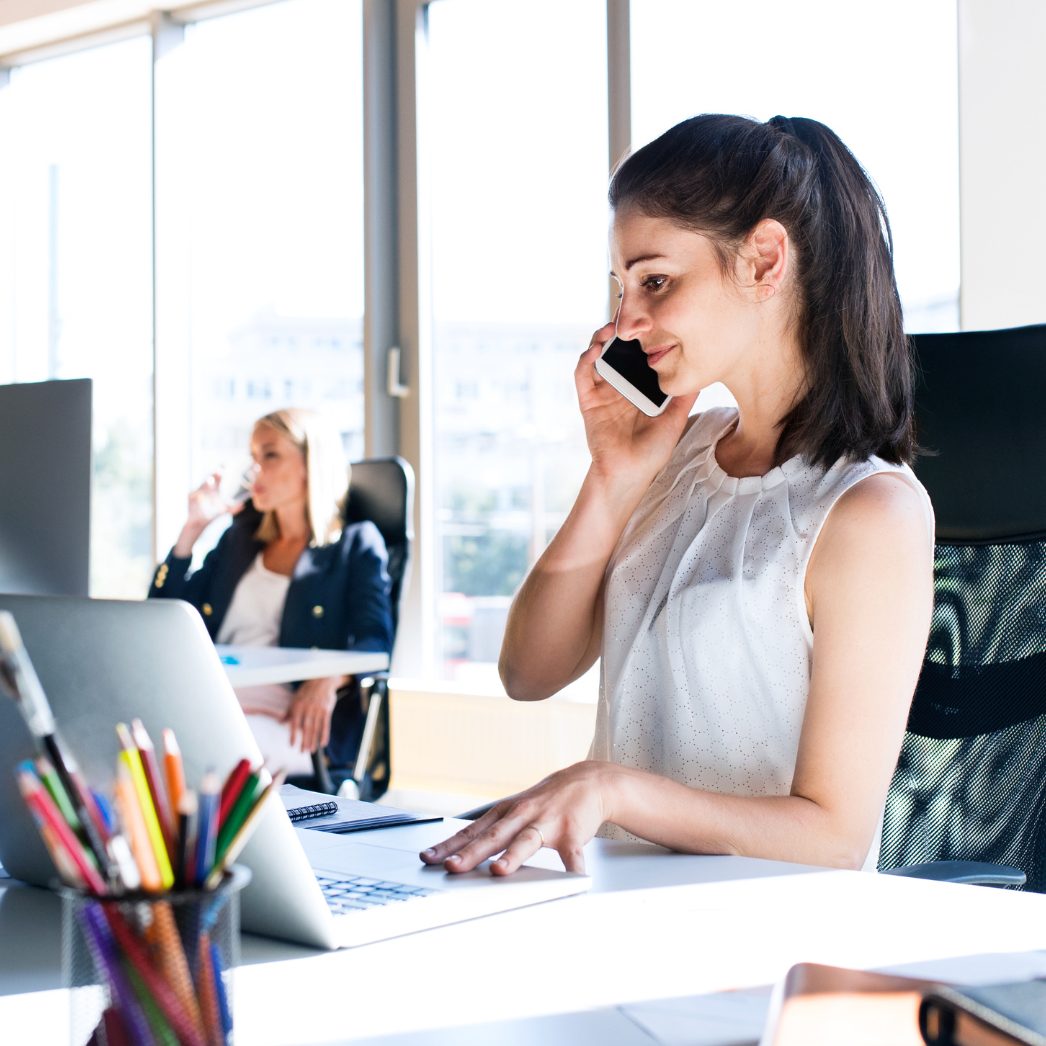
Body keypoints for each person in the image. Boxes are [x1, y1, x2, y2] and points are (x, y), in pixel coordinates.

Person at [421, 113, 935, 878]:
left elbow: (834, 837)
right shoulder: (679, 451)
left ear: (764, 260)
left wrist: (615, 790)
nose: (626, 320)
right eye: (622, 288)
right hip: (612, 899)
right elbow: (528, 672)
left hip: (751, 941)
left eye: (655, 281)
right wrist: (613, 477)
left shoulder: (869, 513)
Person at [149, 407, 393, 775]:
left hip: (290, 717)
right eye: (253, 458)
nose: (253, 471)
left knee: (197, 752)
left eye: (270, 455)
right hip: (209, 697)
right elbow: (163, 619)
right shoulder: (240, 540)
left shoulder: (355, 544)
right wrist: (191, 532)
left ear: (311, 464)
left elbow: (375, 640)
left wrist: (330, 677)